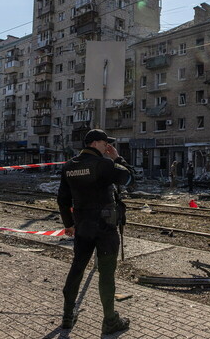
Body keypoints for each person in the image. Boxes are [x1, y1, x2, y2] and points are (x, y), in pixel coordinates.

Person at [57, 129, 134, 335]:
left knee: (77, 268)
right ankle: (110, 320)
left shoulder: (69, 166)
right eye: (104, 143)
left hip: (82, 227)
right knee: (106, 274)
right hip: (105, 228)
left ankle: (66, 316)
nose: (107, 147)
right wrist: (117, 158)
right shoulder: (104, 164)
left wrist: (68, 224)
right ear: (94, 143)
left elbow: (63, 200)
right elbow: (128, 179)